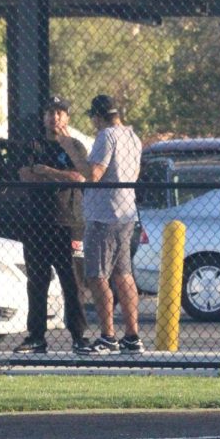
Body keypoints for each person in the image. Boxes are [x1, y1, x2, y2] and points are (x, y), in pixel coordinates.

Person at [65, 94, 144, 354]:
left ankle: (108, 336)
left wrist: (70, 149)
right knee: (124, 275)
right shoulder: (133, 137)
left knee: (97, 276)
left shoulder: (106, 136)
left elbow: (93, 175)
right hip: (126, 213)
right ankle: (132, 337)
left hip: (104, 216)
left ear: (98, 117)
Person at [13, 97, 93, 355]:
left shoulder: (75, 146)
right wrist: (57, 175)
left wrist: (46, 171)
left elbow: (79, 177)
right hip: (36, 223)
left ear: (67, 117)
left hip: (68, 224)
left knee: (72, 282)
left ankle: (79, 337)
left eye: (59, 113)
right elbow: (25, 175)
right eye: (50, 112)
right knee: (37, 282)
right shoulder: (32, 145)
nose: (54, 117)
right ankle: (36, 337)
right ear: (43, 117)